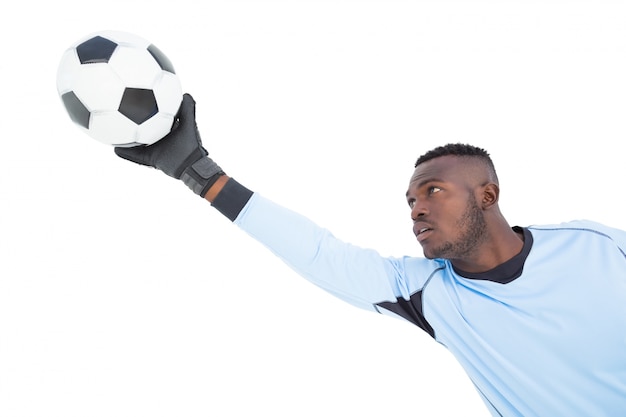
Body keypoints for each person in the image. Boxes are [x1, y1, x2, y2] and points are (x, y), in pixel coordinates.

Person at [115, 94, 626, 416]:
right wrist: (199, 174)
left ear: (487, 195)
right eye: (410, 201)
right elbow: (319, 253)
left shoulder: (594, 244)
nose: (416, 210)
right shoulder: (429, 292)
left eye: (433, 192)